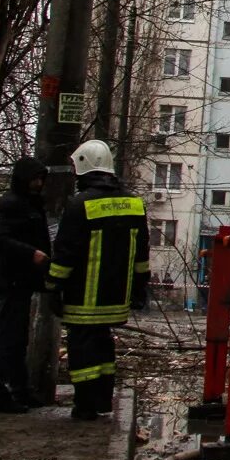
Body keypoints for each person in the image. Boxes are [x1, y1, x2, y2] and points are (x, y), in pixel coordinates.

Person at [45, 140, 149, 421]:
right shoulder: (134, 205)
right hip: (116, 298)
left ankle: (86, 405)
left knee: (82, 351)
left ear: (82, 167)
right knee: (103, 347)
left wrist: (53, 287)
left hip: (84, 298)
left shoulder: (80, 206)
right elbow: (142, 254)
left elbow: (65, 254)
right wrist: (140, 289)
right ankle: (102, 400)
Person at [0, 157, 51, 413]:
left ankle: (19, 389)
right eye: (35, 178)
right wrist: (30, 253)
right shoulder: (10, 204)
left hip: (23, 279)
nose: (39, 183)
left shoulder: (30, 203)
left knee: (17, 336)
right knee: (8, 336)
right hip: (12, 279)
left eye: (41, 179)